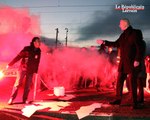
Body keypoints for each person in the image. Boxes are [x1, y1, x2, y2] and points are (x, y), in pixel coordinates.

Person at [97, 18, 144, 109]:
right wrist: (104, 42)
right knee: (119, 81)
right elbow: (116, 44)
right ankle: (118, 99)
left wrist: (137, 60)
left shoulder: (136, 33)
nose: (119, 25)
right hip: (123, 63)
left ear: (125, 24)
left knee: (132, 82)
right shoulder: (123, 35)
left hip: (132, 62)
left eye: (120, 24)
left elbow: (140, 47)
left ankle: (135, 103)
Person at [7, 37, 41, 105]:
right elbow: (18, 56)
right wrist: (10, 64)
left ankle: (25, 99)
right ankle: (11, 99)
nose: (39, 43)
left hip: (30, 71)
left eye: (39, 42)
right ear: (34, 42)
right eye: (38, 41)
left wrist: (36, 71)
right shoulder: (27, 49)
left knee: (27, 86)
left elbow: (37, 62)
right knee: (17, 84)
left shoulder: (38, 51)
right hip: (22, 69)